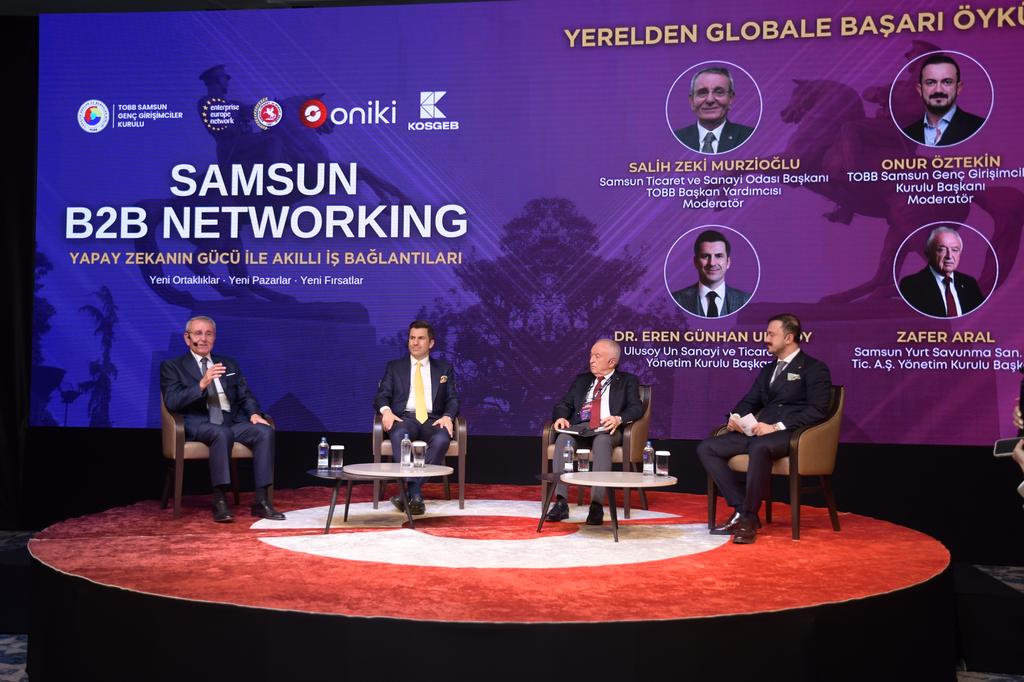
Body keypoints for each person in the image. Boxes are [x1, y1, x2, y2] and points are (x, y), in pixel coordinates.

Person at [697, 314, 832, 544]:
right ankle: (742, 509)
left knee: (759, 447)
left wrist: (776, 426)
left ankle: (748, 519)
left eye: (771, 334)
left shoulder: (814, 368)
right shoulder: (768, 369)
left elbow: (818, 410)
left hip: (791, 434)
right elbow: (750, 400)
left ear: (788, 338)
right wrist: (735, 417)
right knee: (707, 447)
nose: (765, 339)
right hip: (759, 432)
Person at [160, 315, 284, 523]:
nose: (204, 338)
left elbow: (245, 395)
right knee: (221, 432)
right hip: (199, 423)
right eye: (198, 333)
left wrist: (254, 413)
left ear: (214, 338)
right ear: (187, 338)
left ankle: (262, 501)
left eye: (209, 334)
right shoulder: (172, 366)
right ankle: (220, 500)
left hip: (230, 421)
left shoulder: (229, 364)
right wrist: (202, 383)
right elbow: (172, 401)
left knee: (264, 431)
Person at [545, 339, 644, 525]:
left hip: (607, 429)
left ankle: (596, 505)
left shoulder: (627, 381)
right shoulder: (582, 380)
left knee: (602, 441)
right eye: (591, 355)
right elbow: (564, 403)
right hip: (581, 428)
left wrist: (618, 418)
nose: (591, 360)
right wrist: (561, 417)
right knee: (563, 438)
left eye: (597, 356)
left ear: (612, 362)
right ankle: (561, 502)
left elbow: (636, 408)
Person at [373, 320, 460, 515]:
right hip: (405, 418)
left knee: (442, 438)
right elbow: (381, 396)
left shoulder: (444, 368)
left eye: (421, 338)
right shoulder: (395, 367)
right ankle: (416, 495)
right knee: (399, 435)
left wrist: (448, 416)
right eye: (412, 338)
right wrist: (386, 411)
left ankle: (410, 493)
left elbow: (453, 399)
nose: (415, 342)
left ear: (431, 343)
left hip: (433, 419)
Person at [898, 226, 985, 317]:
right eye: (941, 250)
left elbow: (981, 318)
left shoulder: (970, 284)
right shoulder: (911, 285)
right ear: (929, 253)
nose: (949, 256)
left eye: (955, 250)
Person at [902, 54, 985, 146]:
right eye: (930, 82)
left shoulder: (980, 127)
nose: (938, 90)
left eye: (947, 82)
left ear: (959, 88)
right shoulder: (907, 134)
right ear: (919, 89)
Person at [671, 229, 752, 316]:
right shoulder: (675, 300)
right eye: (705, 256)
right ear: (696, 262)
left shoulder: (746, 301)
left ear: (728, 262)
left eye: (719, 256)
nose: (712, 263)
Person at [675, 67, 754, 154]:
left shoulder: (750, 137)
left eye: (719, 92)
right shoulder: (676, 139)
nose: (710, 100)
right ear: (691, 101)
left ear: (731, 98)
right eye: (702, 93)